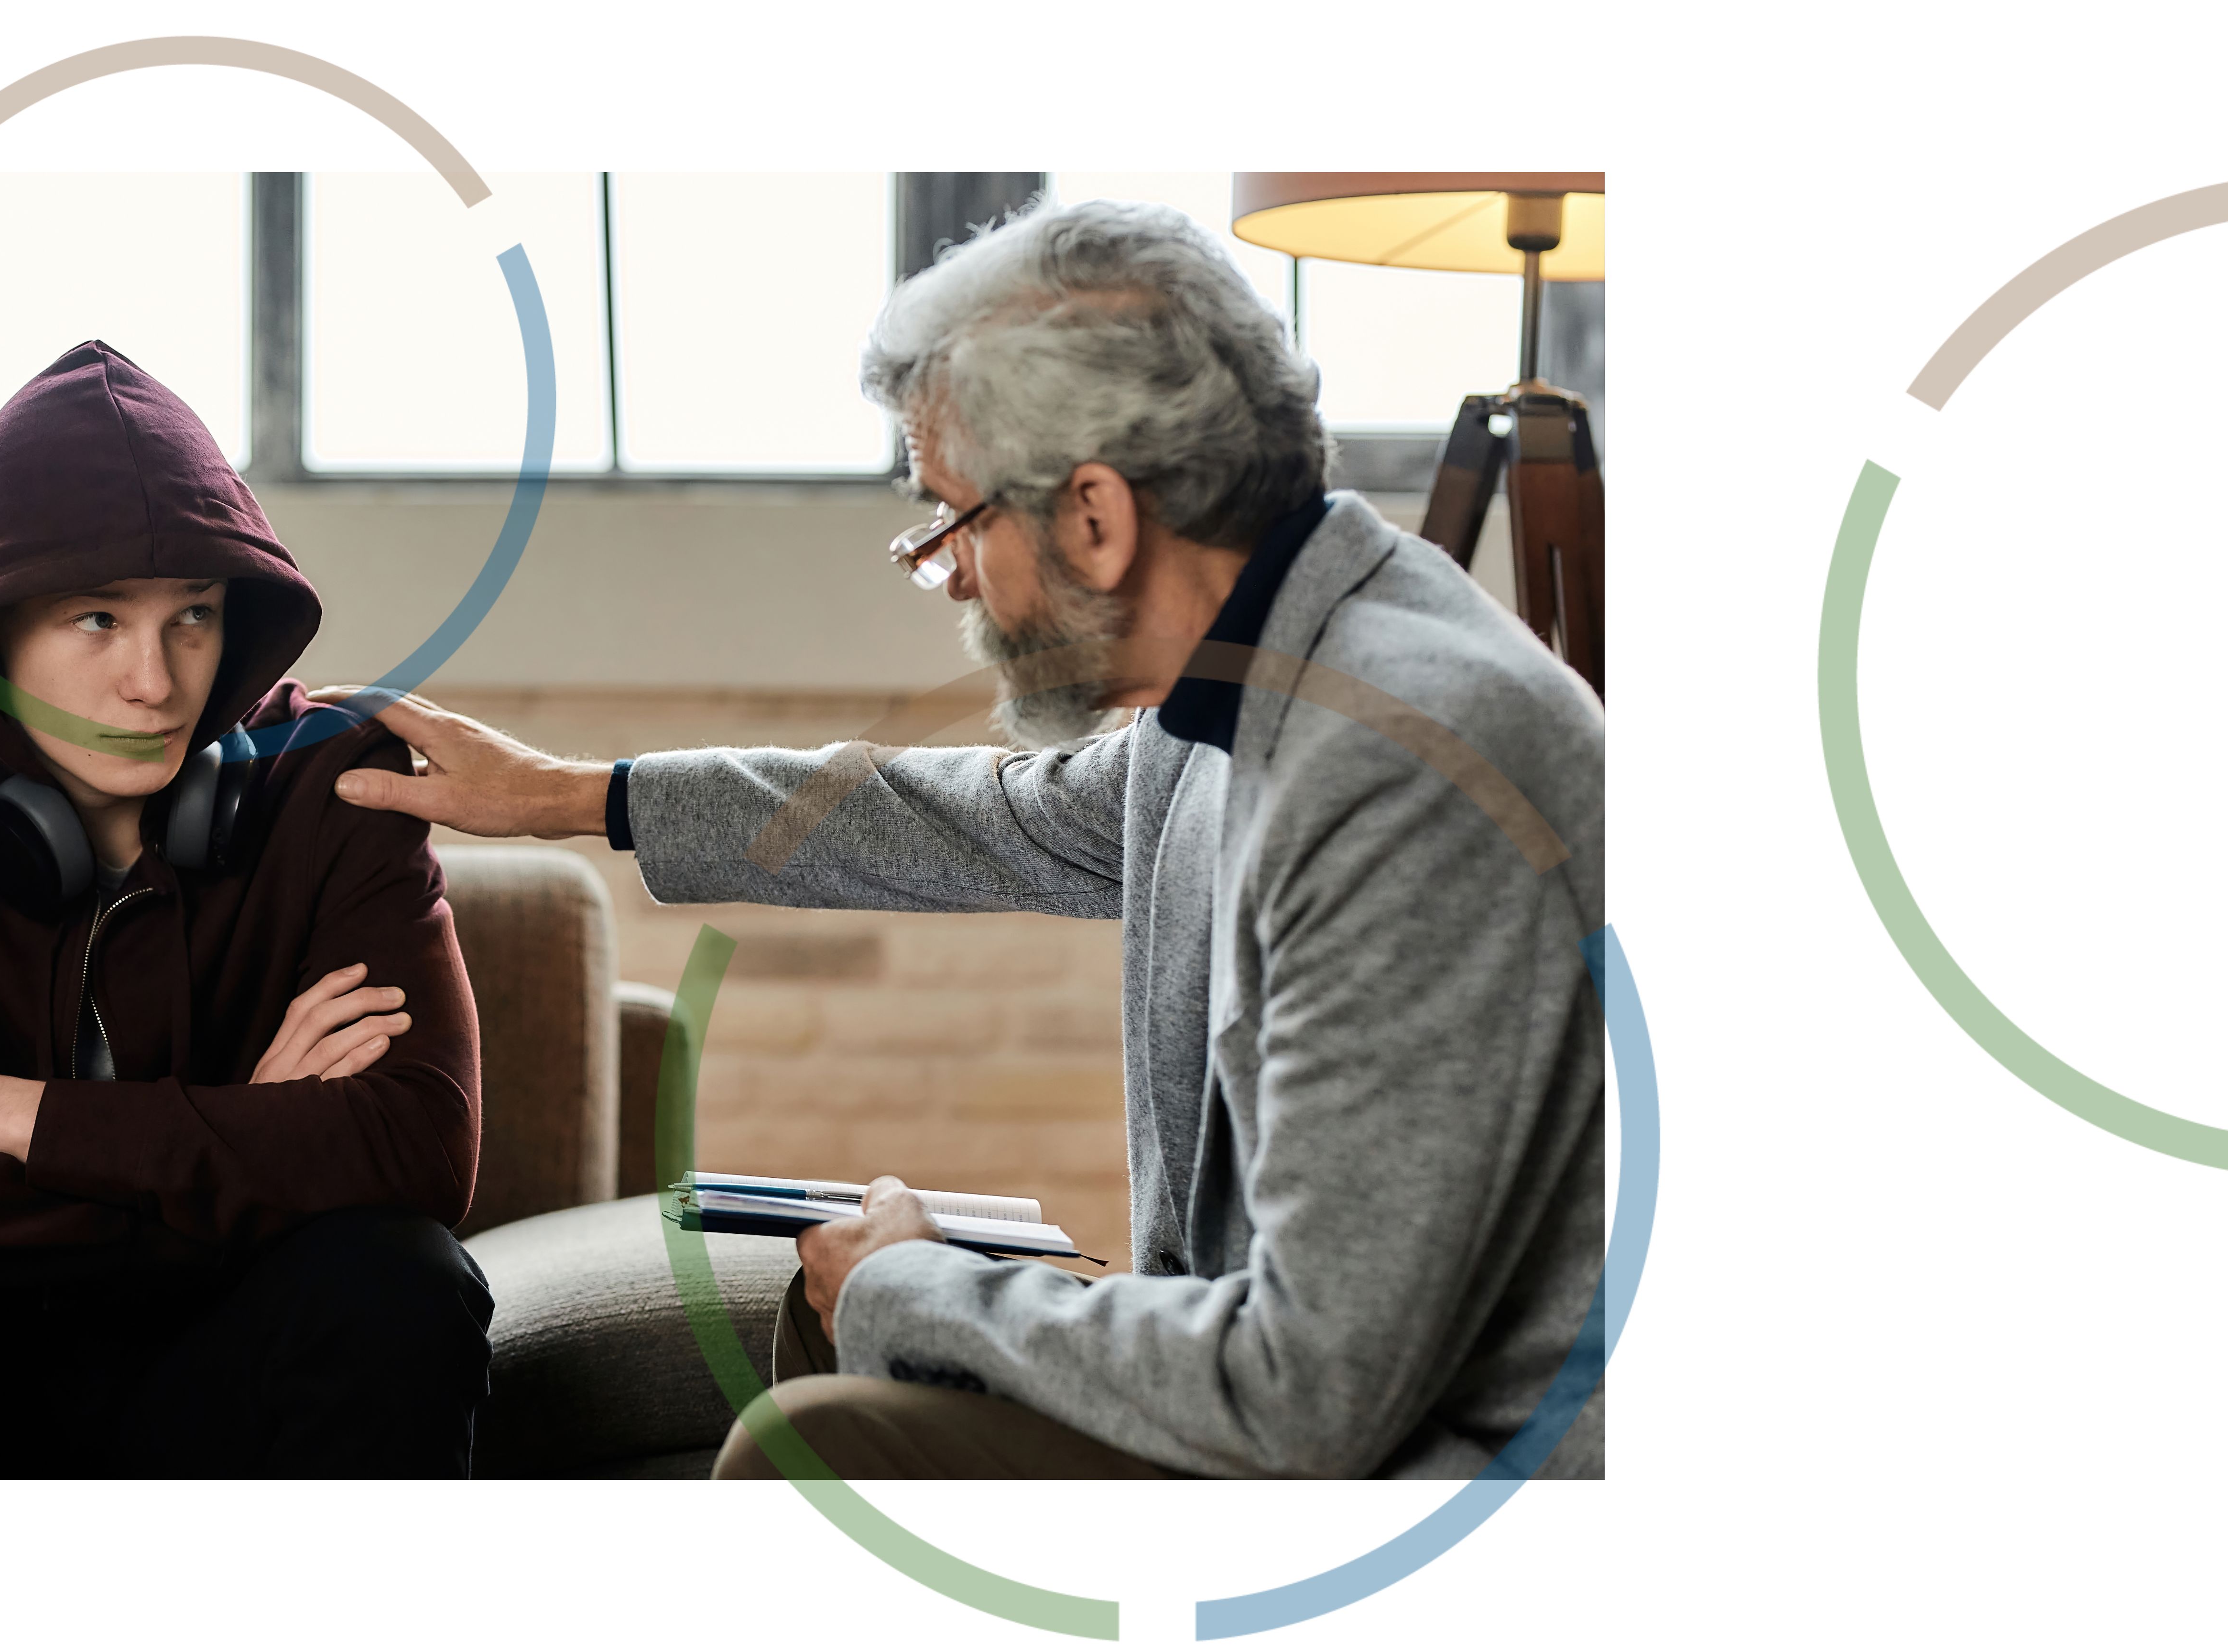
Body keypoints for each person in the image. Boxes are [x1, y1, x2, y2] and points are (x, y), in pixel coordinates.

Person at [318, 198, 1606, 1479]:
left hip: (1435, 1475)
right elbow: (973, 817)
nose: (951, 578)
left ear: (1096, 519)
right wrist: (572, 796)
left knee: (815, 1454)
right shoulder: (1259, 685)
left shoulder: (1405, 765)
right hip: (1306, 1412)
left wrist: (909, 1288)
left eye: (955, 522)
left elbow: (1307, 1395)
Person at [0, 341, 493, 1478]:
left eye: (193, 616)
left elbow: (418, 1151)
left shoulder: (335, 782)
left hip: (227, 1379)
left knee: (401, 1277)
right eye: (95, 619)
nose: (156, 681)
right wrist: (240, 1140)